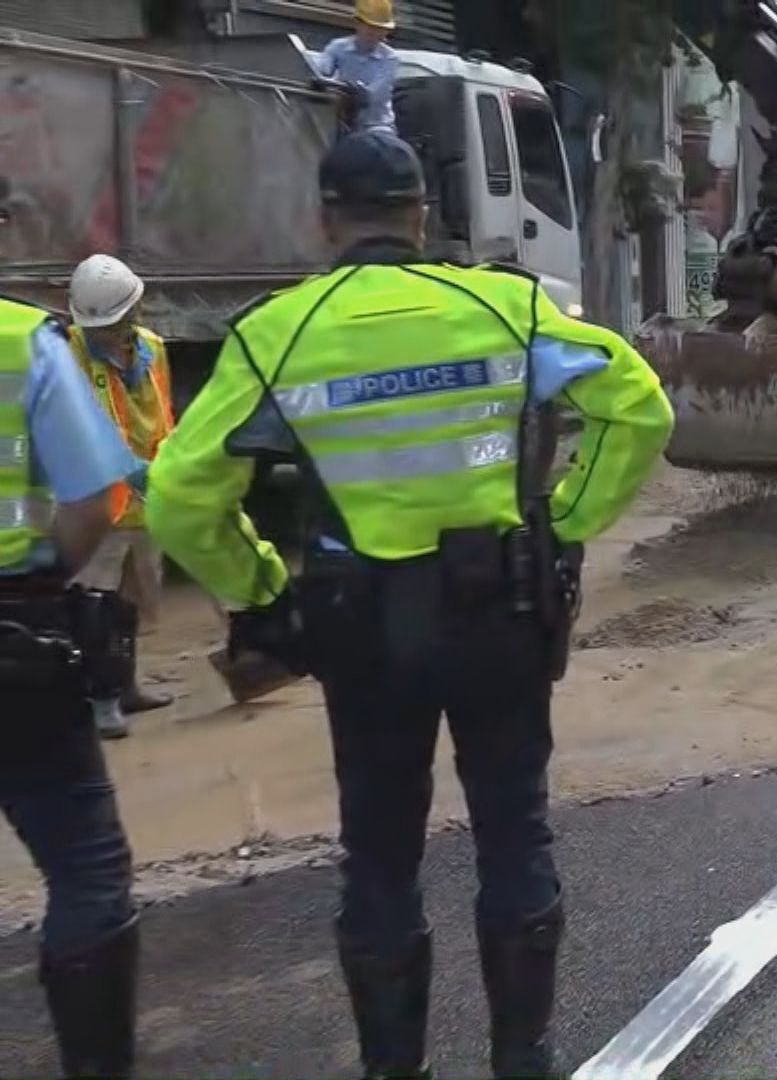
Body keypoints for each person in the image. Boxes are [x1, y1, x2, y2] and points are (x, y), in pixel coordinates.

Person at [144, 130, 674, 1077]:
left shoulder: (278, 334)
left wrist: (258, 588)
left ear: (327, 220)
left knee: (380, 855)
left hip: (363, 633)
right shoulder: (505, 304)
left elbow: (179, 497)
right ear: (423, 214)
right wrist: (564, 521)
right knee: (514, 833)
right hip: (500, 613)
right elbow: (639, 408)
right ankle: (523, 1059)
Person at [0, 295, 143, 1077]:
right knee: (85, 866)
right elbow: (92, 501)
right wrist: (39, 586)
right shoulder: (23, 341)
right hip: (16, 644)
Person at [66, 254, 177, 737]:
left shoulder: (152, 349)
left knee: (132, 600)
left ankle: (126, 685)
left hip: (147, 497)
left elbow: (163, 413)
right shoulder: (67, 353)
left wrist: (168, 468)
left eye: (114, 325)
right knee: (94, 601)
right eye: (100, 328)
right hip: (96, 504)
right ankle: (101, 697)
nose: (106, 335)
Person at [310, 0, 400, 133]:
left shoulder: (390, 58)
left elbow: (372, 95)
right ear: (357, 24)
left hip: (375, 126)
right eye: (370, 27)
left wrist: (352, 91)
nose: (375, 34)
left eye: (380, 29)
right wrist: (321, 80)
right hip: (340, 122)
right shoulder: (338, 47)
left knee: (375, 141)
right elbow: (319, 72)